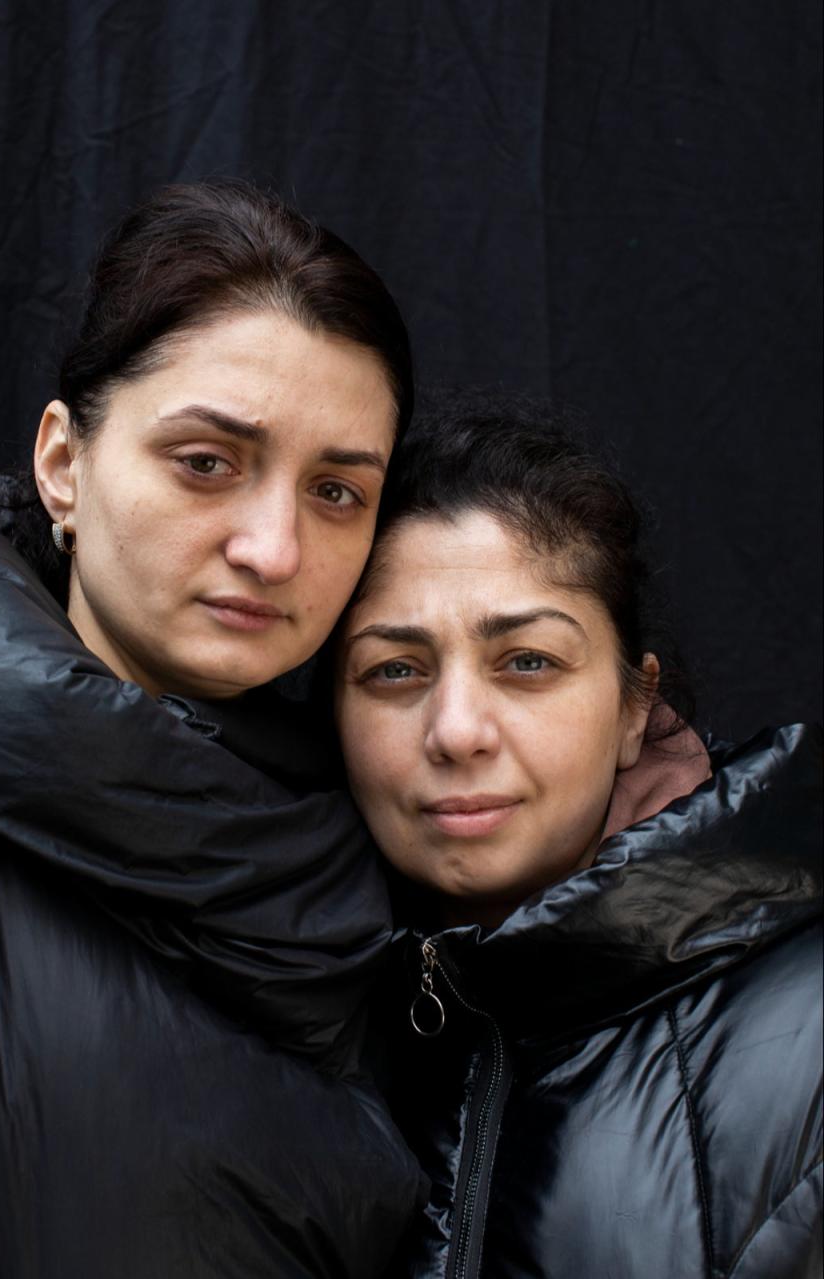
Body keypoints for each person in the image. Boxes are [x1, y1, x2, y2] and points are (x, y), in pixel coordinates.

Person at [0, 180, 424, 1278]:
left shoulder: (382, 841)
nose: (273, 548)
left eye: (338, 491)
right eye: (207, 462)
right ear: (64, 464)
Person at [335, 397, 822, 1279]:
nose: (456, 730)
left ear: (637, 707)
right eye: (394, 669)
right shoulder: (283, 1013)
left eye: (528, 661)